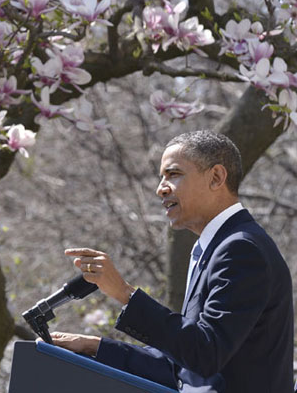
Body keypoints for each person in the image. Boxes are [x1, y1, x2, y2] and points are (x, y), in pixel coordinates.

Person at [50, 130, 294, 392]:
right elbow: (184, 368)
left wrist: (125, 293)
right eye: (161, 177)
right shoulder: (213, 247)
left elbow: (205, 353)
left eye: (173, 174)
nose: (160, 189)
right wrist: (94, 346)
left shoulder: (241, 248)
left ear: (216, 177)